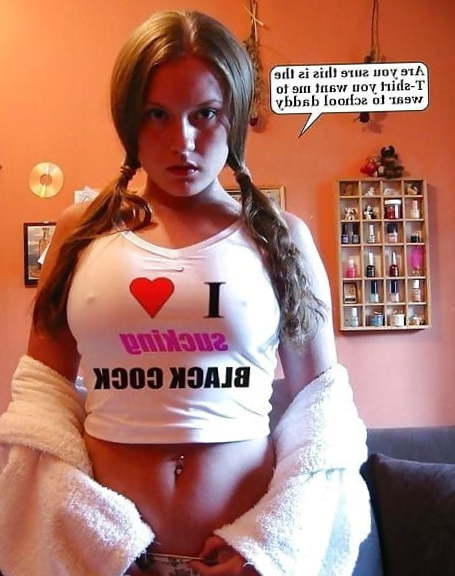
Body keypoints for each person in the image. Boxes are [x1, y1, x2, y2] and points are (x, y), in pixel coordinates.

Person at [1, 10, 381, 576]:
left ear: (235, 115)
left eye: (205, 114)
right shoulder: (80, 234)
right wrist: (85, 538)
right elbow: (42, 396)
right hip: (106, 558)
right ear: (128, 119)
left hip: (240, 559)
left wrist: (269, 548)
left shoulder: (281, 238)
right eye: (157, 115)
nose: (182, 141)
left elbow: (321, 407)